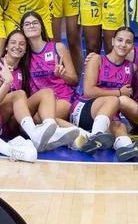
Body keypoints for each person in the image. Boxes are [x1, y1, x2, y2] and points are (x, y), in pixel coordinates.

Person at [18, 10, 91, 150]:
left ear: (41, 26)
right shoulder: (23, 55)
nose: (31, 26)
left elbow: (75, 80)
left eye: (35, 23)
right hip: (41, 102)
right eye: (27, 24)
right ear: (23, 29)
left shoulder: (57, 48)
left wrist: (62, 75)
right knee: (38, 120)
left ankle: (86, 136)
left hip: (63, 97)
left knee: (40, 120)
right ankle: (78, 139)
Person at [0, 29, 60, 148]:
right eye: (13, 43)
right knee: (19, 94)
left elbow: (26, 102)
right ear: (6, 46)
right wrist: (1, 81)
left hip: (14, 122)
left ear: (25, 51)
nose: (17, 46)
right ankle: (35, 134)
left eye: (22, 44)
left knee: (47, 93)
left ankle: (72, 132)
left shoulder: (23, 71)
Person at [76, 28, 138, 157]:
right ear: (112, 41)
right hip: (85, 109)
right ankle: (95, 137)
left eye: (128, 42)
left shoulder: (131, 68)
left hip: (109, 116)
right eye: (120, 40)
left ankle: (127, 148)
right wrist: (118, 92)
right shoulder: (97, 59)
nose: (123, 44)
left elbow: (131, 96)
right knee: (114, 100)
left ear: (132, 46)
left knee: (120, 127)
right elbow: (88, 91)